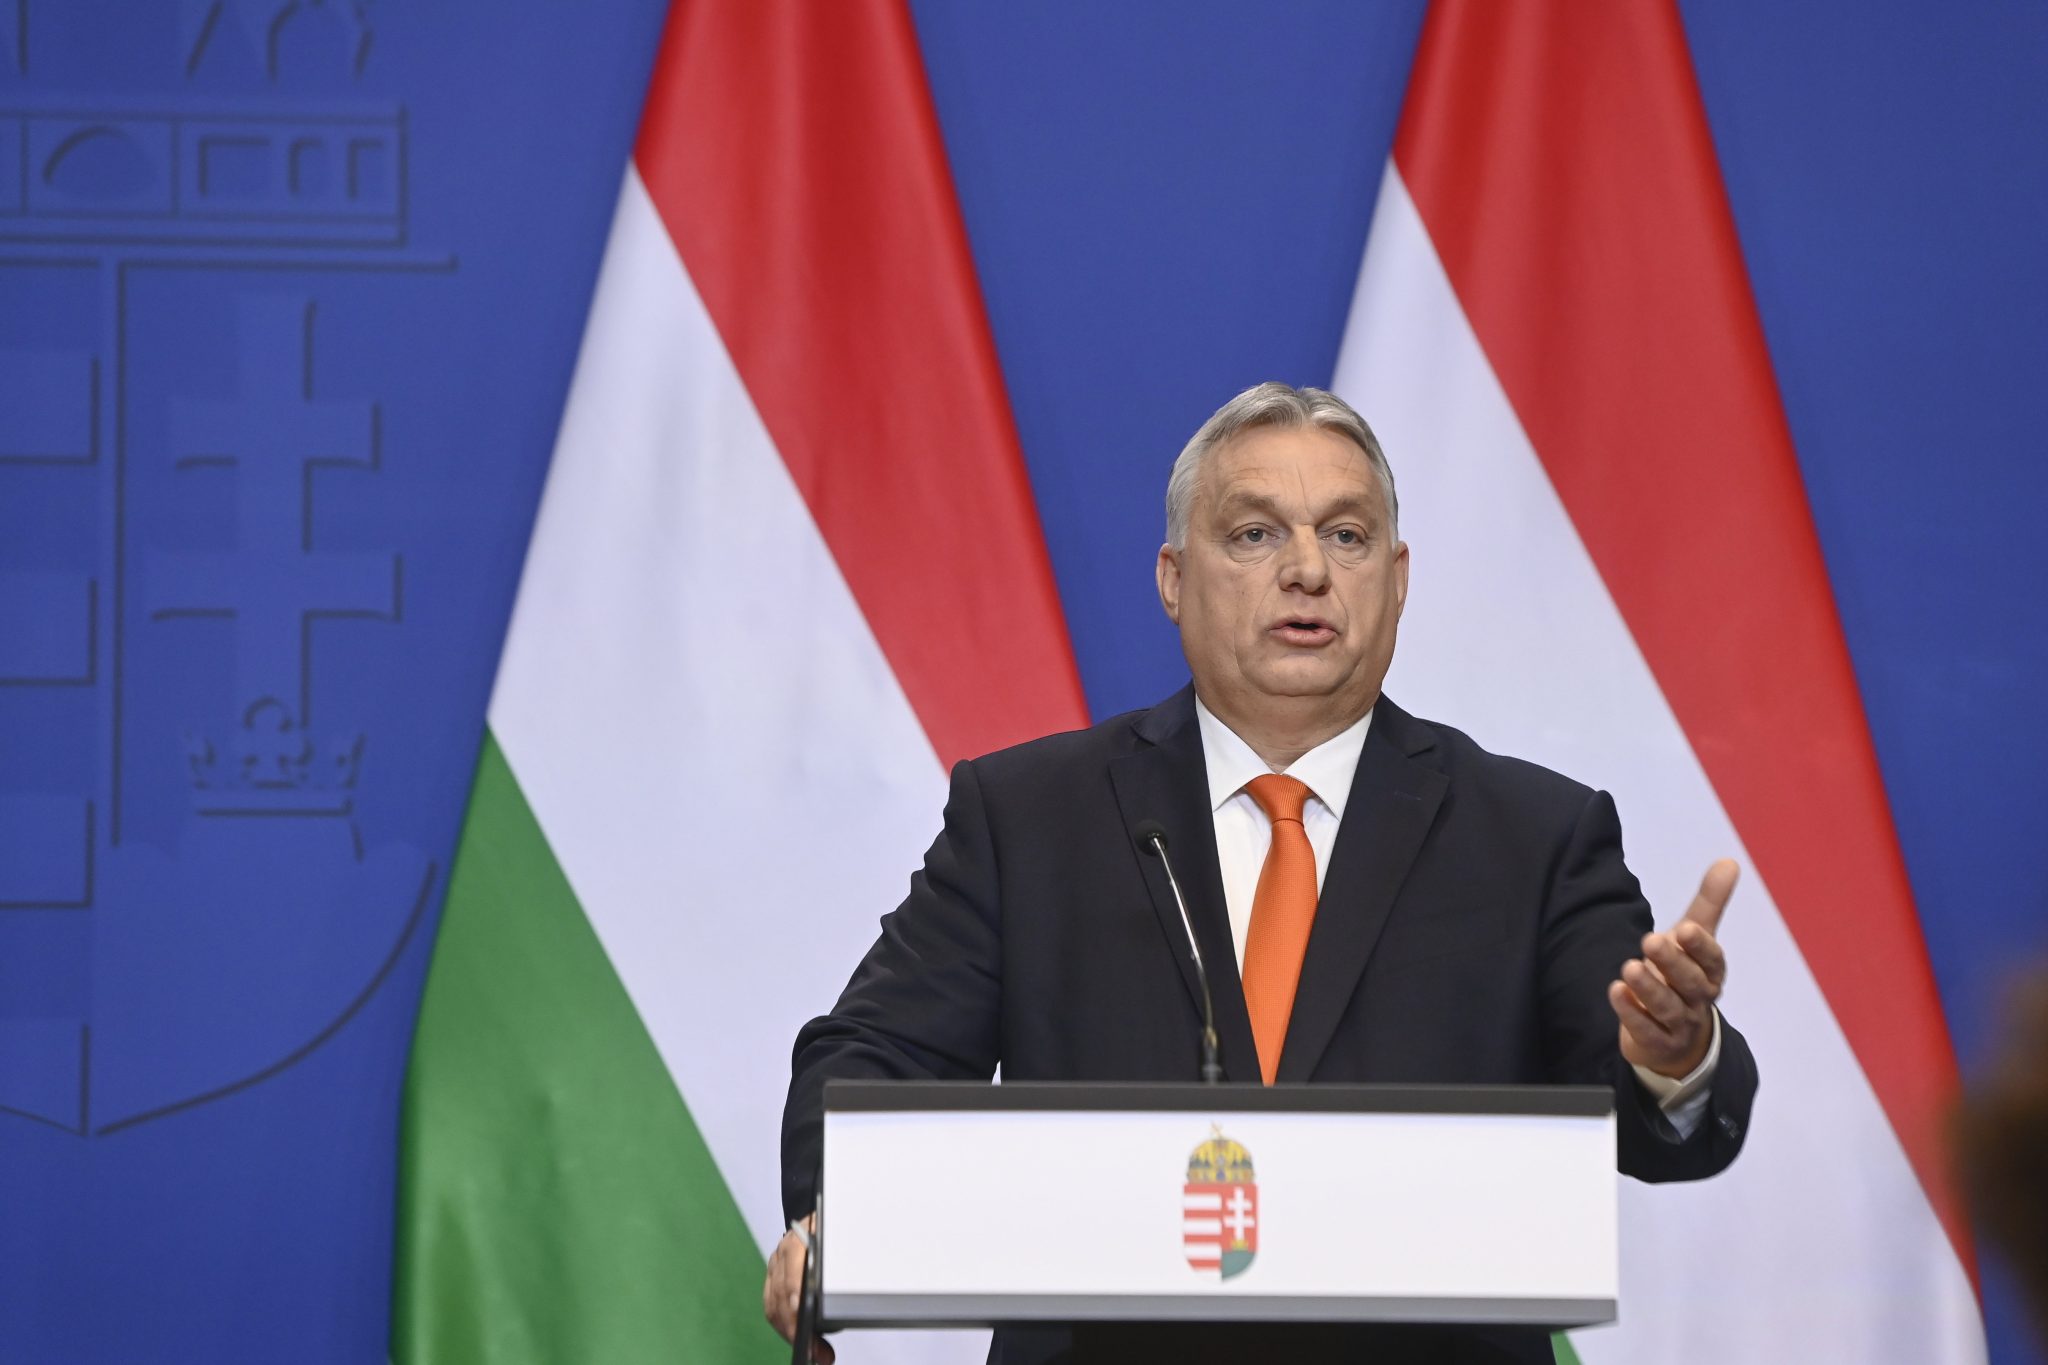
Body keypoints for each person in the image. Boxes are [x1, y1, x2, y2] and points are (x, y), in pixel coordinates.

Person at [766, 383, 1759, 1364]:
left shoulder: (1532, 835)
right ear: (1172, 579)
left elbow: (1654, 1118)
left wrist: (1672, 1053)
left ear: (1397, 580)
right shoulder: (1031, 818)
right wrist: (837, 1215)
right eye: (1253, 534)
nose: (1306, 570)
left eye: (1346, 535)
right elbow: (868, 1057)